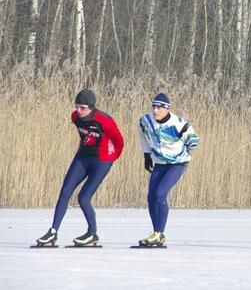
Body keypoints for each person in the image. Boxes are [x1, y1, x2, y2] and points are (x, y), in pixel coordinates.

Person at [36, 89, 124, 247]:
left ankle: (92, 233)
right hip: (82, 158)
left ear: (91, 107)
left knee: (83, 198)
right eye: (77, 106)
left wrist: (111, 157)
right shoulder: (75, 117)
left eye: (82, 107)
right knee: (65, 192)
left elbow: (119, 142)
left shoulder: (105, 121)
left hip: (101, 161)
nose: (78, 110)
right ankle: (53, 232)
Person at [137, 93, 199, 246]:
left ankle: (160, 233)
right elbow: (143, 137)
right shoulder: (145, 121)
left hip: (177, 163)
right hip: (160, 162)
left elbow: (194, 141)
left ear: (167, 109)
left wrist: (182, 151)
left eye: (159, 107)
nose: (155, 111)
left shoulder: (178, 124)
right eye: (154, 107)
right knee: (151, 197)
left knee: (160, 194)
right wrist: (147, 155)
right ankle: (156, 233)